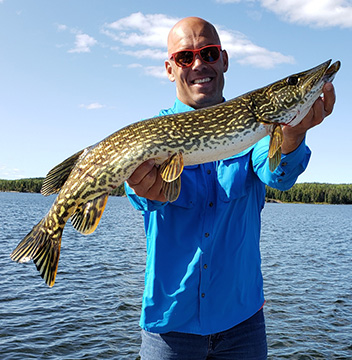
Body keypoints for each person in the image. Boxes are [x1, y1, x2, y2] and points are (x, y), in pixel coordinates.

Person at [125, 17, 336, 360]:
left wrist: (293, 135)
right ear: (169, 68)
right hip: (170, 330)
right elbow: (139, 197)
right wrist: (142, 189)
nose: (198, 65)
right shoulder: (154, 132)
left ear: (224, 60)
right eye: (185, 57)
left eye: (208, 54)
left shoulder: (256, 130)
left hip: (242, 326)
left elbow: (279, 176)